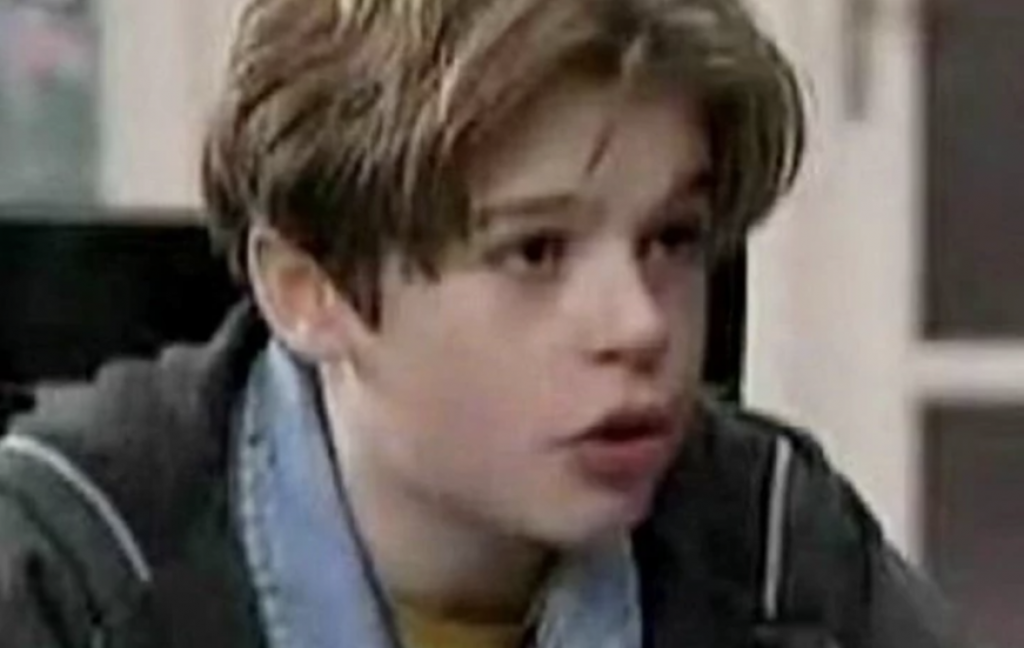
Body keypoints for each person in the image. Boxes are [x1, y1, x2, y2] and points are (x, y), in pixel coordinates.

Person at [0, 0, 974, 646]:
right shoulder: (63, 583)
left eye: (671, 239)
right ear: (309, 292)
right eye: (535, 251)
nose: (639, 325)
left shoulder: (776, 561)